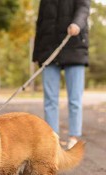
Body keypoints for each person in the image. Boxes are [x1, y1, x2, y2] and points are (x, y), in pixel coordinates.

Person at [33, 0, 90, 149]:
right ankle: (53, 139)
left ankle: (74, 136)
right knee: (50, 99)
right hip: (48, 50)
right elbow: (40, 24)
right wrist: (37, 55)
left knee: (75, 99)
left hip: (74, 46)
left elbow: (83, 8)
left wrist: (77, 24)